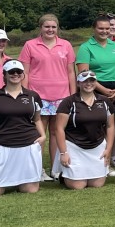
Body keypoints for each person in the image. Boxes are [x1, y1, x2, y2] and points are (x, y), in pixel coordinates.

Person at [0, 59, 46, 196]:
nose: (15, 74)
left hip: (28, 146)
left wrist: (43, 136)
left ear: (23, 75)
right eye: (11, 72)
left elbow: (37, 119)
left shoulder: (33, 96)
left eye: (18, 72)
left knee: (30, 190)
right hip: (0, 145)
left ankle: (16, 180)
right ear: (4, 75)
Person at [21, 13, 75, 178]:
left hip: (62, 96)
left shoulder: (65, 45)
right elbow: (25, 72)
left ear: (57, 28)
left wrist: (73, 95)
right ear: (41, 28)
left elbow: (71, 72)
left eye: (53, 27)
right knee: (39, 133)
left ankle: (55, 168)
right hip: (39, 96)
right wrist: (26, 95)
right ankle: (38, 170)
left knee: (56, 132)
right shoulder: (30, 45)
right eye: (47, 26)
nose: (50, 30)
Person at [52, 71, 115, 189]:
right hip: (74, 146)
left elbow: (110, 126)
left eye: (91, 81)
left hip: (97, 146)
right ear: (78, 83)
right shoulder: (68, 102)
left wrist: (108, 149)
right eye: (84, 81)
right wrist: (63, 153)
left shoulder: (105, 101)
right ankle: (64, 174)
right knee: (77, 185)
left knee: (97, 184)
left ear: (96, 83)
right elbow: (59, 129)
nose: (88, 84)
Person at [76, 14, 115, 110]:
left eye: (107, 28)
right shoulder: (86, 47)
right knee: (97, 121)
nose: (104, 31)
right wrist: (104, 91)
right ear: (94, 29)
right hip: (94, 88)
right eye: (101, 28)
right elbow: (84, 74)